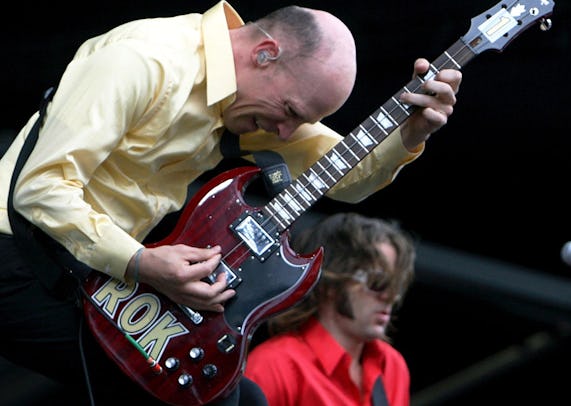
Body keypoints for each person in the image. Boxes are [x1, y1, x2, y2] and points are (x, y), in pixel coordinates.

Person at [0, 1, 460, 405]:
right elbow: (41, 189)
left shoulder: (253, 100)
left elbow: (347, 176)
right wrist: (141, 262)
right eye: (292, 113)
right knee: (195, 400)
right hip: (16, 253)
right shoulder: (145, 58)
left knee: (243, 398)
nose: (286, 133)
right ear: (265, 54)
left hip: (86, 273)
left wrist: (410, 133)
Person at [244, 212, 416, 406]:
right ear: (331, 283)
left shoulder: (392, 366)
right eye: (377, 282)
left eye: (396, 286)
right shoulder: (273, 365)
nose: (389, 297)